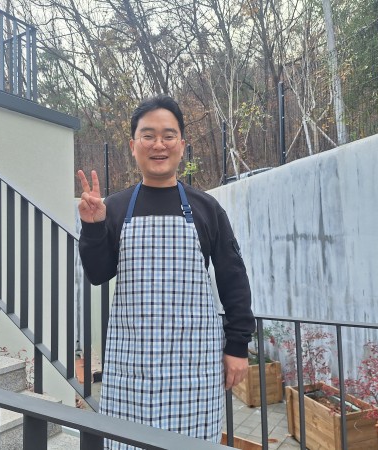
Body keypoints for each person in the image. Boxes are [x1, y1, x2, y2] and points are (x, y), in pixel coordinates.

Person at [77, 95, 254, 448]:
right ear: (133, 146)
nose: (159, 145)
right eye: (148, 135)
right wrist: (93, 227)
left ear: (182, 145)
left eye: (168, 135)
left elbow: (233, 278)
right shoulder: (114, 207)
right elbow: (98, 274)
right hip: (132, 365)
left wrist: (238, 345)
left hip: (195, 366)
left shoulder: (206, 208)